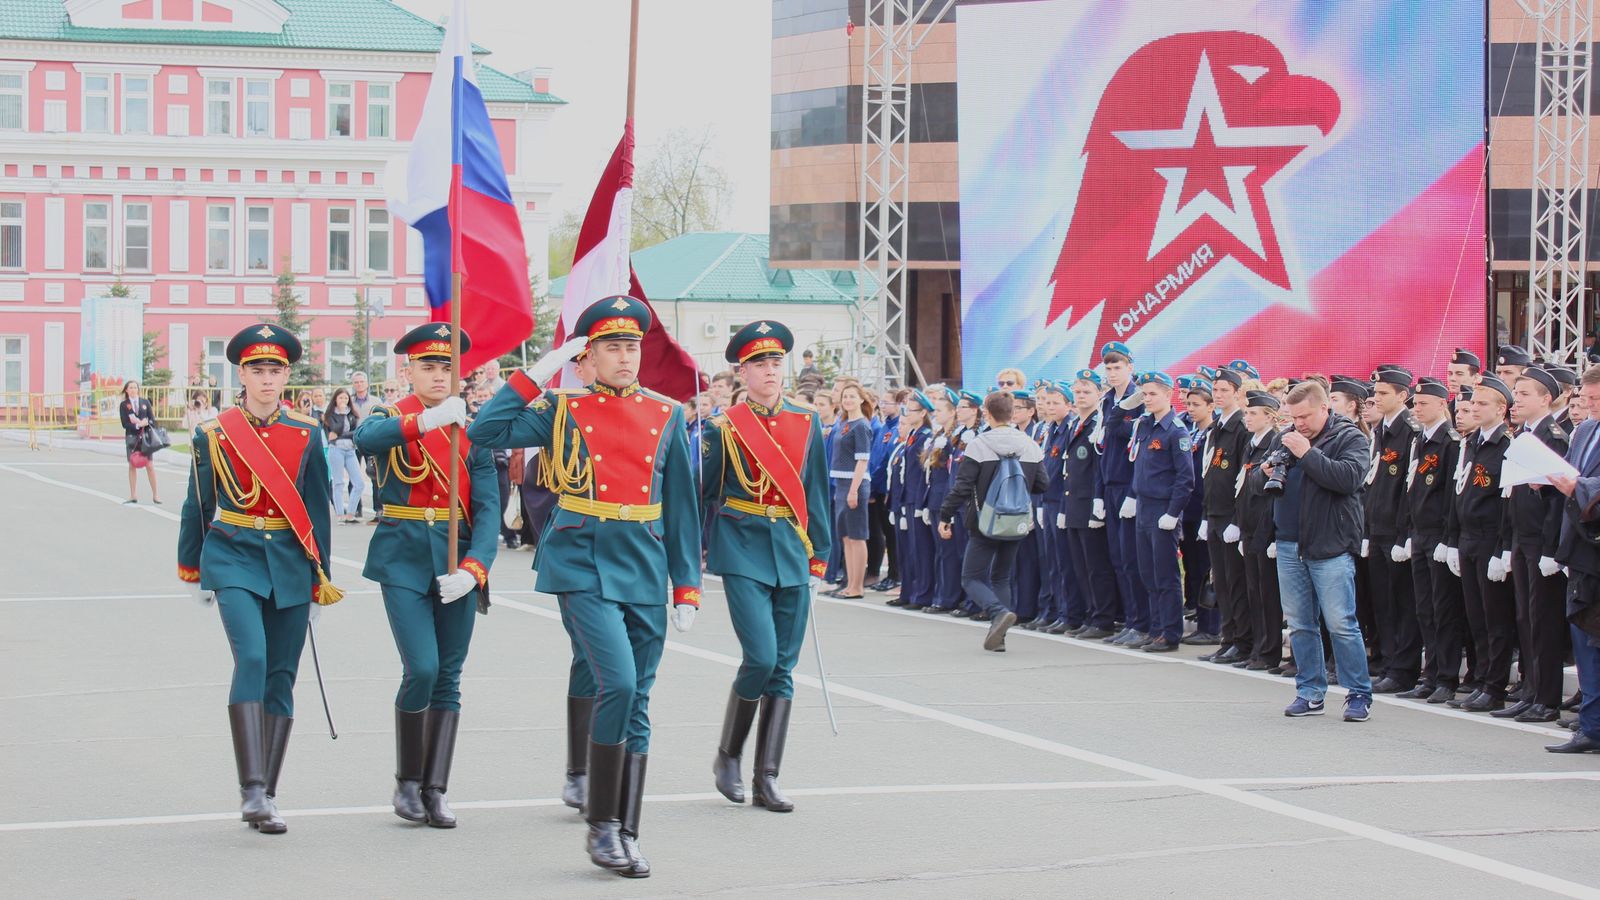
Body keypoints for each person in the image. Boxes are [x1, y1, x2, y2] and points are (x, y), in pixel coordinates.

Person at [468, 295, 701, 878]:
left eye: (632, 346)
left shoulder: (666, 413)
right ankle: (600, 826)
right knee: (617, 682)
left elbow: (681, 507)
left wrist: (687, 586)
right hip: (583, 560)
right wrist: (539, 372)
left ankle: (627, 829)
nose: (625, 356)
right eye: (611, 347)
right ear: (588, 358)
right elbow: (483, 429)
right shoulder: (563, 407)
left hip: (644, 562)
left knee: (639, 699)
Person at [176, 323, 338, 835]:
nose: (267, 380)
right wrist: (193, 568)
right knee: (252, 656)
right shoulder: (213, 432)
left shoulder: (307, 433)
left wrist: (320, 578)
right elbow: (198, 503)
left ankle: (267, 792)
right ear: (241, 374)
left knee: (282, 675)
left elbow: (317, 510)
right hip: (234, 554)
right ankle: (250, 788)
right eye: (257, 370)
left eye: (275, 370)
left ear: (286, 374)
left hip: (290, 560)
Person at [356, 324, 499, 829]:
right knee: (422, 668)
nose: (439, 376)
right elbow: (365, 439)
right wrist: (429, 420)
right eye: (429, 367)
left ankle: (435, 787)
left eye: (447, 368)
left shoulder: (474, 431)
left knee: (450, 676)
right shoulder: (391, 417)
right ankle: (406, 780)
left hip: (456, 559)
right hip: (402, 555)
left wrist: (475, 568)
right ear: (408, 371)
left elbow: (487, 509)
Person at [700, 320, 832, 812]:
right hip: (742, 546)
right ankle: (728, 756)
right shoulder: (724, 425)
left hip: (792, 549)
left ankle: (767, 776)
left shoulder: (806, 421)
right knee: (760, 656)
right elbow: (702, 492)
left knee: (783, 667)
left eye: (777, 362)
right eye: (760, 363)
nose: (771, 371)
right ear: (743, 370)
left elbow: (817, 491)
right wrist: (684, 564)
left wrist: (820, 555)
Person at [1267, 380, 1374, 721]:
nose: (1299, 423)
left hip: (1329, 543)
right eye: (1294, 416)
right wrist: (1265, 472)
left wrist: (1307, 453)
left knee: (1341, 622)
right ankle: (1310, 692)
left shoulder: (1349, 437)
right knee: (1300, 623)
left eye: (1305, 416)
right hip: (1289, 541)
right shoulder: (1286, 436)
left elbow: (1348, 478)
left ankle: (1359, 694)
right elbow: (1260, 484)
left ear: (1325, 408)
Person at [938, 390, 1049, 651]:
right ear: (1012, 414)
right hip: (1016, 519)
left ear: (987, 413)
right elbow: (1043, 484)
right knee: (1002, 576)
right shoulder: (1030, 444)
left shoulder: (980, 443)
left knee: (971, 577)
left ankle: (998, 613)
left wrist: (946, 514)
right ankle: (998, 636)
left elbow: (963, 485)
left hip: (984, 519)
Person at [1443, 375, 1517, 713]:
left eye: (1482, 404)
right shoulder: (1471, 443)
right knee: (1476, 618)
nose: (1473, 408)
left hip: (1490, 538)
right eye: (1473, 404)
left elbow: (1506, 501)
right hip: (1469, 538)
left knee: (1495, 618)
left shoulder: (1506, 445)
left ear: (1502, 409)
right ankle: (1482, 679)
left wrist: (1502, 548)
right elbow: (1461, 491)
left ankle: (1495, 685)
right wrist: (1454, 539)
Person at [1500, 367, 1568, 722]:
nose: (1517, 400)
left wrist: (1550, 549)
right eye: (1517, 392)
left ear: (1546, 399)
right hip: (1521, 537)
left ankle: (1547, 697)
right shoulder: (1522, 435)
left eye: (1524, 394)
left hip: (1541, 540)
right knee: (1526, 618)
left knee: (1544, 621)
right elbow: (1511, 493)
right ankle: (1531, 690)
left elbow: (1557, 498)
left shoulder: (1552, 437)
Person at [1395, 378, 1465, 703]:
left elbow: (1451, 495)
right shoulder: (1418, 440)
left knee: (1443, 609)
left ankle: (1446, 677)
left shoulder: (1449, 442)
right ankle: (1431, 673)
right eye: (1416, 403)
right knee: (1424, 608)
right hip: (1419, 534)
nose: (1416, 408)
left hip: (1438, 535)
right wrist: (1407, 531)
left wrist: (1449, 537)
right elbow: (1411, 489)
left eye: (1423, 403)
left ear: (1441, 404)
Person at [1545, 364, 1600, 754]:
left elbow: (1584, 482)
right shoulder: (1583, 430)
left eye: (1596, 399)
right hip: (1579, 548)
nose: (1589, 405)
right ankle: (1591, 726)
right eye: (1586, 397)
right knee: (1583, 640)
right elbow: (1571, 474)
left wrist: (1578, 486)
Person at [1127, 372, 1196, 653]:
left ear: (1168, 395)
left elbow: (1185, 478)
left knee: (1165, 575)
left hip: (1162, 510)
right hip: (1143, 506)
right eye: (1144, 394)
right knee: (1148, 573)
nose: (1146, 399)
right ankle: (1155, 629)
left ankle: (1169, 632)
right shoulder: (1145, 425)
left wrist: (1172, 512)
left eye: (1152, 394)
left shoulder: (1176, 431)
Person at [1366, 367, 1423, 694]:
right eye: (1376, 390)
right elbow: (1373, 482)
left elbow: (1408, 488)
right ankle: (1388, 662)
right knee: (1383, 602)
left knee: (1403, 604)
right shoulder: (1381, 430)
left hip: (1398, 532)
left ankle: (1403, 668)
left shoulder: (1409, 431)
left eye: (1384, 392)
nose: (1376, 397)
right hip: (1378, 529)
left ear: (1403, 395)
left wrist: (1404, 535)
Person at [1059, 372, 1120, 639]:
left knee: (1096, 566)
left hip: (1090, 504)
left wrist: (1098, 502)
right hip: (1074, 502)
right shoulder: (1076, 423)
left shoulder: (1099, 423)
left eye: (1087, 391)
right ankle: (1090, 613)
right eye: (1078, 391)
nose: (1081, 396)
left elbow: (1098, 467)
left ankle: (1103, 618)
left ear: (1099, 394)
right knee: (1080, 565)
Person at [1098, 342, 1151, 644]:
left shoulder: (1138, 400)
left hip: (1130, 487)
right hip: (1111, 484)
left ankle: (1142, 622)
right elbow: (1106, 449)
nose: (1113, 372)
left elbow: (1135, 445)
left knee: (1132, 559)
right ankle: (1131, 620)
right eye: (1108, 368)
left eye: (1118, 367)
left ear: (1130, 367)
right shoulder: (1109, 401)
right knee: (1118, 558)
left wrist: (1132, 492)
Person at [1200, 367, 1252, 656]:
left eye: (1223, 390)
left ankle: (1241, 641)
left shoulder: (1241, 428)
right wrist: (1207, 515)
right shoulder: (1217, 427)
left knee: (1235, 582)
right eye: (1215, 390)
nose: (1218, 395)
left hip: (1232, 517)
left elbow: (1243, 478)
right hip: (1215, 514)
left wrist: (1236, 520)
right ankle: (1228, 637)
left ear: (1236, 393)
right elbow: (1211, 475)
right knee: (1220, 580)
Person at [1236, 390, 1285, 672]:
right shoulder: (1252, 444)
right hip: (1249, 526)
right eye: (1247, 412)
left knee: (1268, 593)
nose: (1248, 417)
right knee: (1254, 590)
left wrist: (1270, 533)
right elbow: (1243, 488)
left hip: (1265, 528)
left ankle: (1269, 651)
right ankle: (1257, 647)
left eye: (1253, 413)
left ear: (1270, 416)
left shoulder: (1272, 443)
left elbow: (1270, 494)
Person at [829, 384, 875, 599]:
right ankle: (850, 583)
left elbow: (862, 460)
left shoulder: (861, 426)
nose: (847, 400)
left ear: (861, 400)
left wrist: (854, 490)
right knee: (846, 537)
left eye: (852, 396)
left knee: (857, 536)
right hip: (841, 483)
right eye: (845, 396)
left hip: (854, 484)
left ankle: (857, 585)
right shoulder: (844, 423)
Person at [887, 391, 932, 607]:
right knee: (908, 551)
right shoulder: (914, 436)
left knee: (921, 551)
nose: (906, 415)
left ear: (923, 412)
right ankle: (908, 592)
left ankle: (921, 594)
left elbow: (923, 474)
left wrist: (919, 504)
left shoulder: (925, 436)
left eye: (911, 410)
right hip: (907, 499)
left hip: (916, 499)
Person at [866, 390, 901, 592]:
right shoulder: (885, 427)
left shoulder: (896, 428)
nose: (884, 406)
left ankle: (896, 575)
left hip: (885, 487)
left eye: (888, 402)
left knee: (891, 535)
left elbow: (886, 462)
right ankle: (892, 575)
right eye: (883, 402)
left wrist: (875, 483)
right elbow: (875, 457)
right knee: (884, 532)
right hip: (877, 487)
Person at [322, 388, 365, 524]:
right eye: (341, 398)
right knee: (338, 482)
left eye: (346, 398)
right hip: (336, 450)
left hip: (351, 450)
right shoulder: (329, 415)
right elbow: (335, 429)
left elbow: (355, 433)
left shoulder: (352, 414)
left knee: (359, 483)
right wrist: (341, 414)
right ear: (335, 399)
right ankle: (340, 514)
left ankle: (351, 513)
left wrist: (340, 435)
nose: (343, 401)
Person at [119, 380, 162, 504]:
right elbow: (124, 424)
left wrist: (146, 423)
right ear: (126, 390)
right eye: (130, 387)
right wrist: (137, 425)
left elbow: (152, 420)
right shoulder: (124, 405)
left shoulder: (145, 402)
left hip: (145, 438)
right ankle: (133, 495)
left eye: (135, 387)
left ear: (138, 389)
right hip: (132, 438)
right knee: (132, 465)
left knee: (149, 465)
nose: (133, 389)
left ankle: (155, 495)